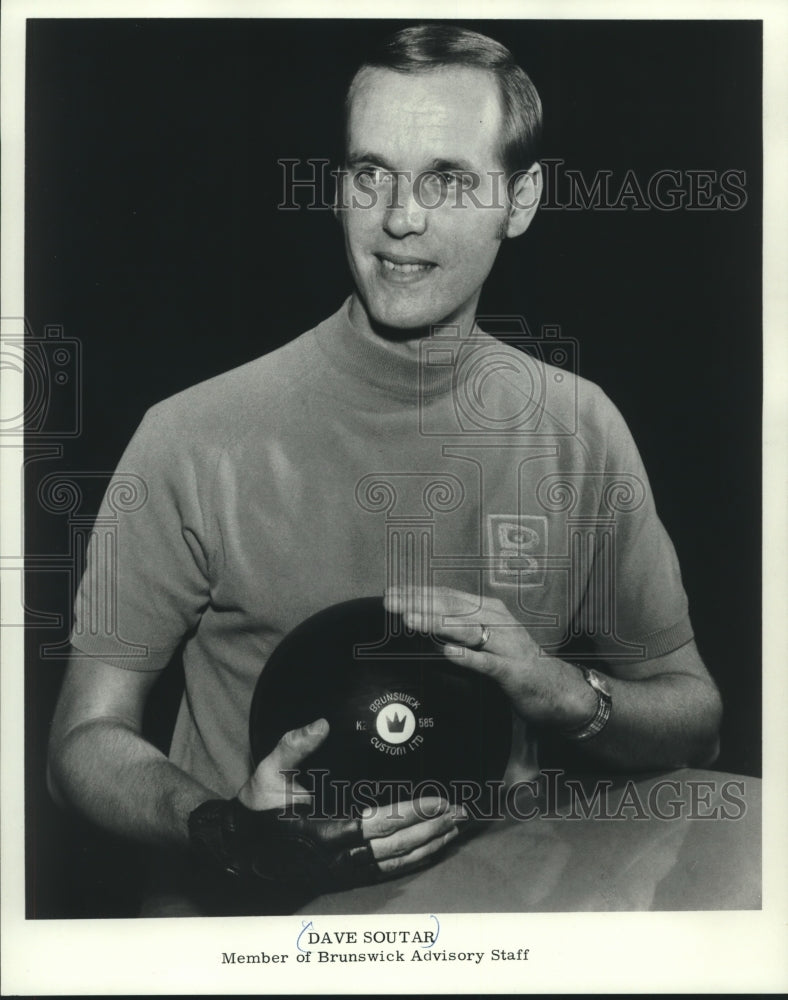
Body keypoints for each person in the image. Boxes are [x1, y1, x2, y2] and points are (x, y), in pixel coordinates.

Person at [47, 24, 722, 915]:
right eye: (372, 173)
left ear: (521, 200)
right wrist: (222, 829)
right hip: (254, 942)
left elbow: (697, 721)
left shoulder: (578, 428)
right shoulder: (191, 434)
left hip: (501, 938)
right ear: (339, 188)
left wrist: (563, 693)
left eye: (446, 178)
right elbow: (80, 743)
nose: (400, 217)